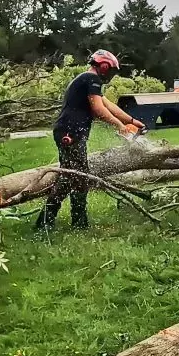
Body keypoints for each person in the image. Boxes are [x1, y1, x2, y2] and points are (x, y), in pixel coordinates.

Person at [37, 50, 144, 231]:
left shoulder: (88, 80)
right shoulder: (90, 78)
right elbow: (98, 109)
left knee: (74, 177)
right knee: (75, 177)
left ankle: (67, 222)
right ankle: (57, 222)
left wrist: (131, 121)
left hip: (69, 131)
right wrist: (119, 126)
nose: (110, 75)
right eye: (110, 71)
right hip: (70, 133)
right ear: (103, 67)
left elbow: (107, 105)